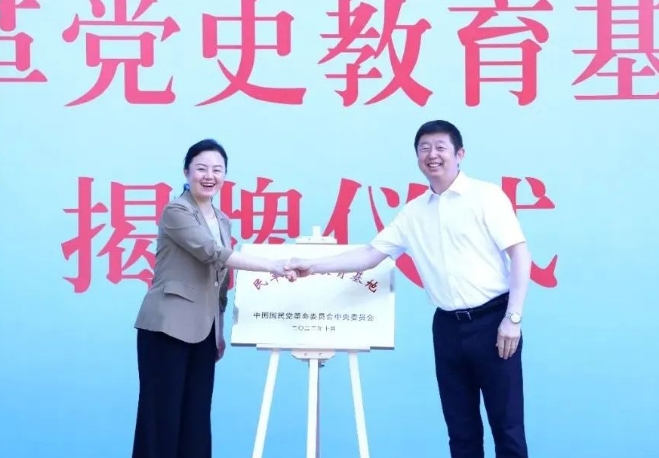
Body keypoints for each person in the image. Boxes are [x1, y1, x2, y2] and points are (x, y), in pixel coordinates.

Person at [285, 120, 532, 458]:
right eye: (424, 148)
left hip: (494, 323)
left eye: (441, 147)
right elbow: (370, 254)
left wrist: (513, 317)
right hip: (447, 327)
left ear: (460, 154)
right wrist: (312, 265)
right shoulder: (414, 212)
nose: (432, 155)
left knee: (507, 429)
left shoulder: (486, 196)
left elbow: (519, 253)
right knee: (461, 432)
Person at [131, 139, 296, 458]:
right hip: (167, 326)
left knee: (195, 417)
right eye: (202, 168)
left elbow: (221, 282)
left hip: (204, 331)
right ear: (186, 172)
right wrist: (273, 266)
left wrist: (218, 331)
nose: (210, 176)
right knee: (161, 416)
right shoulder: (176, 210)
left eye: (218, 170)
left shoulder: (222, 220)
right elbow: (212, 253)